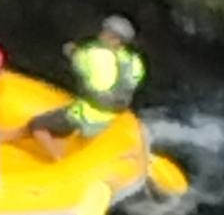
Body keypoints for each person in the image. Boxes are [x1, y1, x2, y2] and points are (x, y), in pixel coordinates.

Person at [24, 13, 144, 145]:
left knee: (36, 125)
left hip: (88, 115)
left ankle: (58, 158)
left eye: (106, 32)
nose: (101, 34)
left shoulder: (96, 55)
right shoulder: (135, 62)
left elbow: (78, 60)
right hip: (112, 114)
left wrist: (71, 50)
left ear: (116, 39)